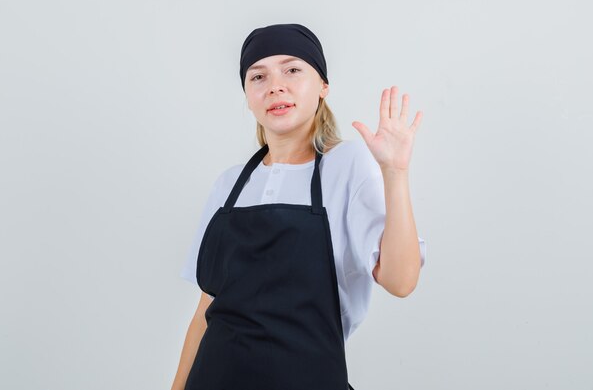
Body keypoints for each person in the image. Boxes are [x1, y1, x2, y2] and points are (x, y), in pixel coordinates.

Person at [171, 23, 425, 390]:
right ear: (247, 94)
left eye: (292, 70)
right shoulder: (230, 185)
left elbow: (401, 281)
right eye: (258, 76)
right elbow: (205, 313)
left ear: (323, 86)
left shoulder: (347, 165)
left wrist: (395, 173)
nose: (275, 85)